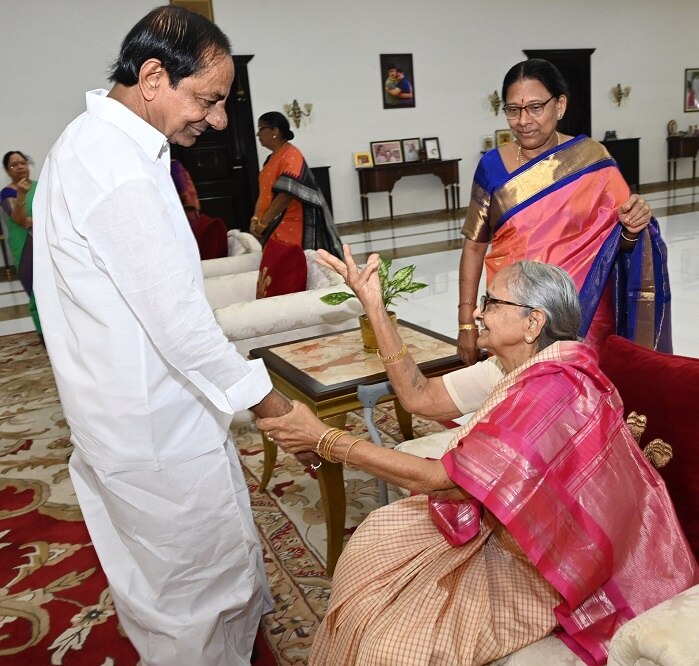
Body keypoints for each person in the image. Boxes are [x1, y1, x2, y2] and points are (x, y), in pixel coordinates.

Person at [258, 246, 696, 666]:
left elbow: (442, 480)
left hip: (542, 565)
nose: (474, 312)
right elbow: (419, 396)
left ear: (532, 322)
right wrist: (373, 303)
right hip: (504, 529)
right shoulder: (514, 366)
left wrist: (325, 439)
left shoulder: (553, 390)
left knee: (391, 646)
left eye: (490, 302)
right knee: (374, 542)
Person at [32, 7, 310, 665]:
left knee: (176, 578)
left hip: (133, 410)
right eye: (208, 100)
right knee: (194, 592)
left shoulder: (102, 144)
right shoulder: (117, 168)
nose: (216, 120)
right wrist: (275, 408)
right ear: (153, 76)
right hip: (152, 420)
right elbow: (181, 325)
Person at [457, 59, 671, 365]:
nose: (524, 120)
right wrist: (466, 323)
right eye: (513, 110)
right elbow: (474, 247)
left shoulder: (593, 160)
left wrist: (634, 227)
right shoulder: (492, 167)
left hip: (584, 316)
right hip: (514, 318)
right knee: (522, 405)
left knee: (578, 403)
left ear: (560, 105)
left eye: (535, 107)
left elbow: (620, 242)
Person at [249, 111, 342, 257]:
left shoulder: (291, 155)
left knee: (288, 269)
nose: (258, 134)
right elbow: (263, 193)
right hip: (271, 224)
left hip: (288, 225)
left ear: (275, 131)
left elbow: (286, 195)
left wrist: (263, 223)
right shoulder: (271, 158)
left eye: (261, 129)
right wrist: (255, 218)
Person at [1, 151, 41, 336]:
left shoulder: (41, 186)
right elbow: (19, 219)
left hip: (46, 242)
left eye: (22, 162)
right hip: (25, 245)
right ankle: (43, 332)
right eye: (13, 165)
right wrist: (22, 195)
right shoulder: (8, 193)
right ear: (8, 171)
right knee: (35, 289)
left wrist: (36, 220)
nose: (19, 167)